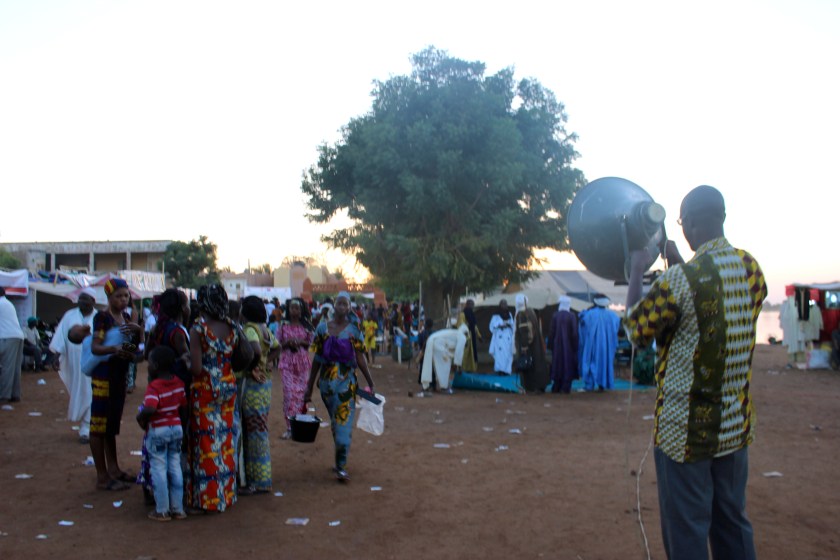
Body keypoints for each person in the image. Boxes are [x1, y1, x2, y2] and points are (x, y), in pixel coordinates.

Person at [625, 185, 766, 560]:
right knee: (731, 523)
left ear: (687, 228)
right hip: (734, 427)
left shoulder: (678, 282)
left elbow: (637, 332)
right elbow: (709, 318)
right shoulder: (751, 269)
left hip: (682, 435)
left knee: (687, 529)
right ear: (721, 217)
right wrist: (679, 265)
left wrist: (638, 270)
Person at [304, 291, 375, 482]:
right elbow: (317, 360)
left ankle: (341, 467)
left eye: (345, 304)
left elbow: (360, 357)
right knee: (336, 424)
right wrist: (309, 387)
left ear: (350, 307)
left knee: (343, 424)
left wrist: (370, 381)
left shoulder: (354, 331)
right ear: (334, 306)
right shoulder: (322, 329)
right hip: (326, 386)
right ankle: (339, 460)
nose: (342, 307)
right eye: (339, 304)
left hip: (347, 384)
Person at [188, 284, 238, 512]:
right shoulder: (232, 326)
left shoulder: (198, 328)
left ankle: (209, 499)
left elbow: (197, 368)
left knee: (206, 444)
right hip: (228, 387)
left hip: (205, 390)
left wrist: (184, 360)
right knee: (225, 442)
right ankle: (226, 495)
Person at [89, 278, 143, 491]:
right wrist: (113, 349)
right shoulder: (103, 318)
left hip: (118, 376)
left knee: (111, 424)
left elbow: (131, 350)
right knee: (98, 426)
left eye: (126, 296)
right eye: (118, 296)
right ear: (109, 297)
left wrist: (137, 331)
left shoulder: (126, 318)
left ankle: (113, 469)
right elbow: (95, 347)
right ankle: (102, 476)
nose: (123, 300)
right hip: (103, 376)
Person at [140, 288, 192, 503]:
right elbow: (187, 360)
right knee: (178, 444)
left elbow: (145, 355)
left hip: (157, 390)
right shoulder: (177, 332)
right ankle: (176, 495)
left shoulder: (157, 329)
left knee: (154, 443)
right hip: (176, 392)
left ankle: (152, 487)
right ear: (182, 308)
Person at [136, 346, 188, 521]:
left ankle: (162, 509)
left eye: (149, 362)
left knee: (158, 469)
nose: (148, 365)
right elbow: (184, 407)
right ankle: (178, 508)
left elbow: (150, 407)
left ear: (156, 366)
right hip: (176, 429)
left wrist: (141, 418)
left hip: (158, 430)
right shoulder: (179, 383)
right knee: (175, 467)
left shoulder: (154, 387)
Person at [239, 295, 281, 494]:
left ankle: (256, 481)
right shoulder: (264, 329)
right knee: (260, 430)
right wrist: (266, 363)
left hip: (254, 386)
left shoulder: (250, 330)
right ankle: (262, 477)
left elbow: (254, 350)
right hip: (264, 385)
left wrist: (254, 367)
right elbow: (277, 347)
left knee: (254, 432)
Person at [50, 288, 97, 442]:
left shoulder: (99, 317)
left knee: (90, 392)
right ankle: (85, 425)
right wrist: (56, 356)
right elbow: (61, 337)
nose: (82, 301)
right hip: (73, 362)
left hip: (92, 362)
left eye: (86, 299)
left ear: (93, 301)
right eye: (80, 298)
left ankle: (86, 429)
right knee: (79, 391)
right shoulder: (70, 315)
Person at [277, 298, 315, 439]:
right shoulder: (282, 326)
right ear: (288, 310)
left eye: (297, 308)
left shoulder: (307, 326)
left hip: (302, 364)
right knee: (288, 395)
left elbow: (312, 343)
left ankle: (299, 425)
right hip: (287, 363)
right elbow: (277, 343)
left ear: (302, 310)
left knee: (300, 395)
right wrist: (287, 343)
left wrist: (301, 342)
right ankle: (289, 427)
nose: (295, 310)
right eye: (292, 308)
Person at [578, 294, 620, 391]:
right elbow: (616, 329)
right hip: (607, 347)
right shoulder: (613, 315)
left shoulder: (590, 314)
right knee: (605, 363)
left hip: (593, 345)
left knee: (590, 362)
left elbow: (583, 323)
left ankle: (589, 385)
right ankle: (603, 385)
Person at [419, 318, 468, 395]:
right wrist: (457, 365)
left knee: (430, 365)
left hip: (433, 342)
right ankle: (444, 387)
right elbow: (459, 351)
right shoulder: (462, 337)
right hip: (438, 344)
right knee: (445, 366)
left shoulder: (455, 333)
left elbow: (451, 349)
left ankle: (428, 385)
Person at [514, 294, 549, 392]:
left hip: (529, 346)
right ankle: (540, 386)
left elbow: (525, 331)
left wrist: (524, 347)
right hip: (536, 345)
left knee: (529, 366)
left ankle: (532, 387)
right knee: (538, 364)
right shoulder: (531, 311)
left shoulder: (521, 314)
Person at [547, 295, 579, 394]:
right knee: (567, 365)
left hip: (557, 346)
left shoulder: (555, 315)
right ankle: (565, 387)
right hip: (569, 346)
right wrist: (575, 346)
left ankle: (556, 386)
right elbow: (574, 333)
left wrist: (550, 345)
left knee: (557, 364)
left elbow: (551, 332)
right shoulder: (572, 316)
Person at [0, 286, 24, 403]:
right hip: (17, 336)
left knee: (6, 368)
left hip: (6, 337)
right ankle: (15, 394)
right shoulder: (7, 303)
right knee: (14, 368)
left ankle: (4, 396)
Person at [488, 299, 515, 375]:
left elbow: (512, 324)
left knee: (508, 354)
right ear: (500, 305)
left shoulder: (509, 314)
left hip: (507, 337)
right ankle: (500, 370)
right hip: (499, 337)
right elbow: (491, 326)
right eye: (503, 304)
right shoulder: (495, 315)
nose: (504, 305)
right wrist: (499, 324)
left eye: (505, 304)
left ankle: (507, 370)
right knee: (499, 355)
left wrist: (509, 324)